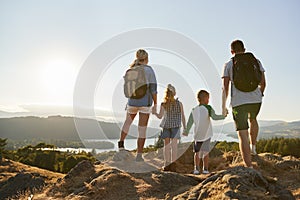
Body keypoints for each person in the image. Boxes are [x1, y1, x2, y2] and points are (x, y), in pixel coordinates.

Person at [222, 40, 266, 167]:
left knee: (242, 133)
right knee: (253, 119)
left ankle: (249, 166)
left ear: (232, 51)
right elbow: (263, 83)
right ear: (244, 49)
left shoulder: (229, 64)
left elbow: (225, 88)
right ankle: (253, 148)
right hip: (256, 100)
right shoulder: (256, 61)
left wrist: (224, 106)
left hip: (238, 103)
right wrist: (260, 94)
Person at [118, 49, 157, 162]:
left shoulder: (131, 69)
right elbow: (153, 90)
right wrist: (155, 104)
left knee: (127, 122)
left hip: (132, 102)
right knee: (142, 129)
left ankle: (121, 144)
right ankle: (139, 155)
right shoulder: (149, 70)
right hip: (145, 103)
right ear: (146, 59)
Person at [183, 90, 226, 175]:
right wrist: (223, 116)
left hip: (197, 135)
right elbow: (215, 117)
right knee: (206, 152)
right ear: (205, 98)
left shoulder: (194, 110)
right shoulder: (208, 108)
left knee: (197, 152)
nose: (208, 100)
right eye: (208, 98)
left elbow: (190, 122)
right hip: (207, 134)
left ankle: (196, 169)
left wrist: (187, 131)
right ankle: (205, 169)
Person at [154, 84, 186, 170]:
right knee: (174, 146)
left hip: (166, 126)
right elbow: (183, 116)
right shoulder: (179, 104)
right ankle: (173, 165)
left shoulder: (163, 104)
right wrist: (185, 127)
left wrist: (154, 113)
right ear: (174, 93)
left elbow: (160, 116)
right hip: (176, 126)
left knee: (166, 146)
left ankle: (166, 164)